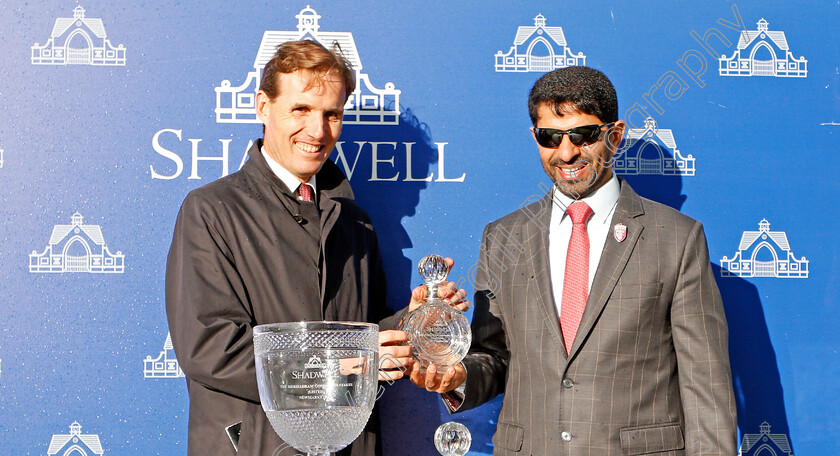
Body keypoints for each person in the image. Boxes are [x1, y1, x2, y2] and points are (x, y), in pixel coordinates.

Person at [409, 66, 737, 455]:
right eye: (550, 137)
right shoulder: (503, 237)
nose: (566, 153)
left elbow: (706, 386)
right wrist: (457, 376)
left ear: (614, 136)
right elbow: (495, 356)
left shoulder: (677, 238)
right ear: (536, 137)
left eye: (582, 135)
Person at [166, 40, 465, 456]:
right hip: (256, 446)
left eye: (332, 114)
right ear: (263, 107)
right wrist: (351, 367)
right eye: (301, 110)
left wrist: (411, 323)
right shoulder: (211, 210)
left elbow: (363, 333)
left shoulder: (354, 220)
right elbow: (212, 350)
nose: (318, 131)